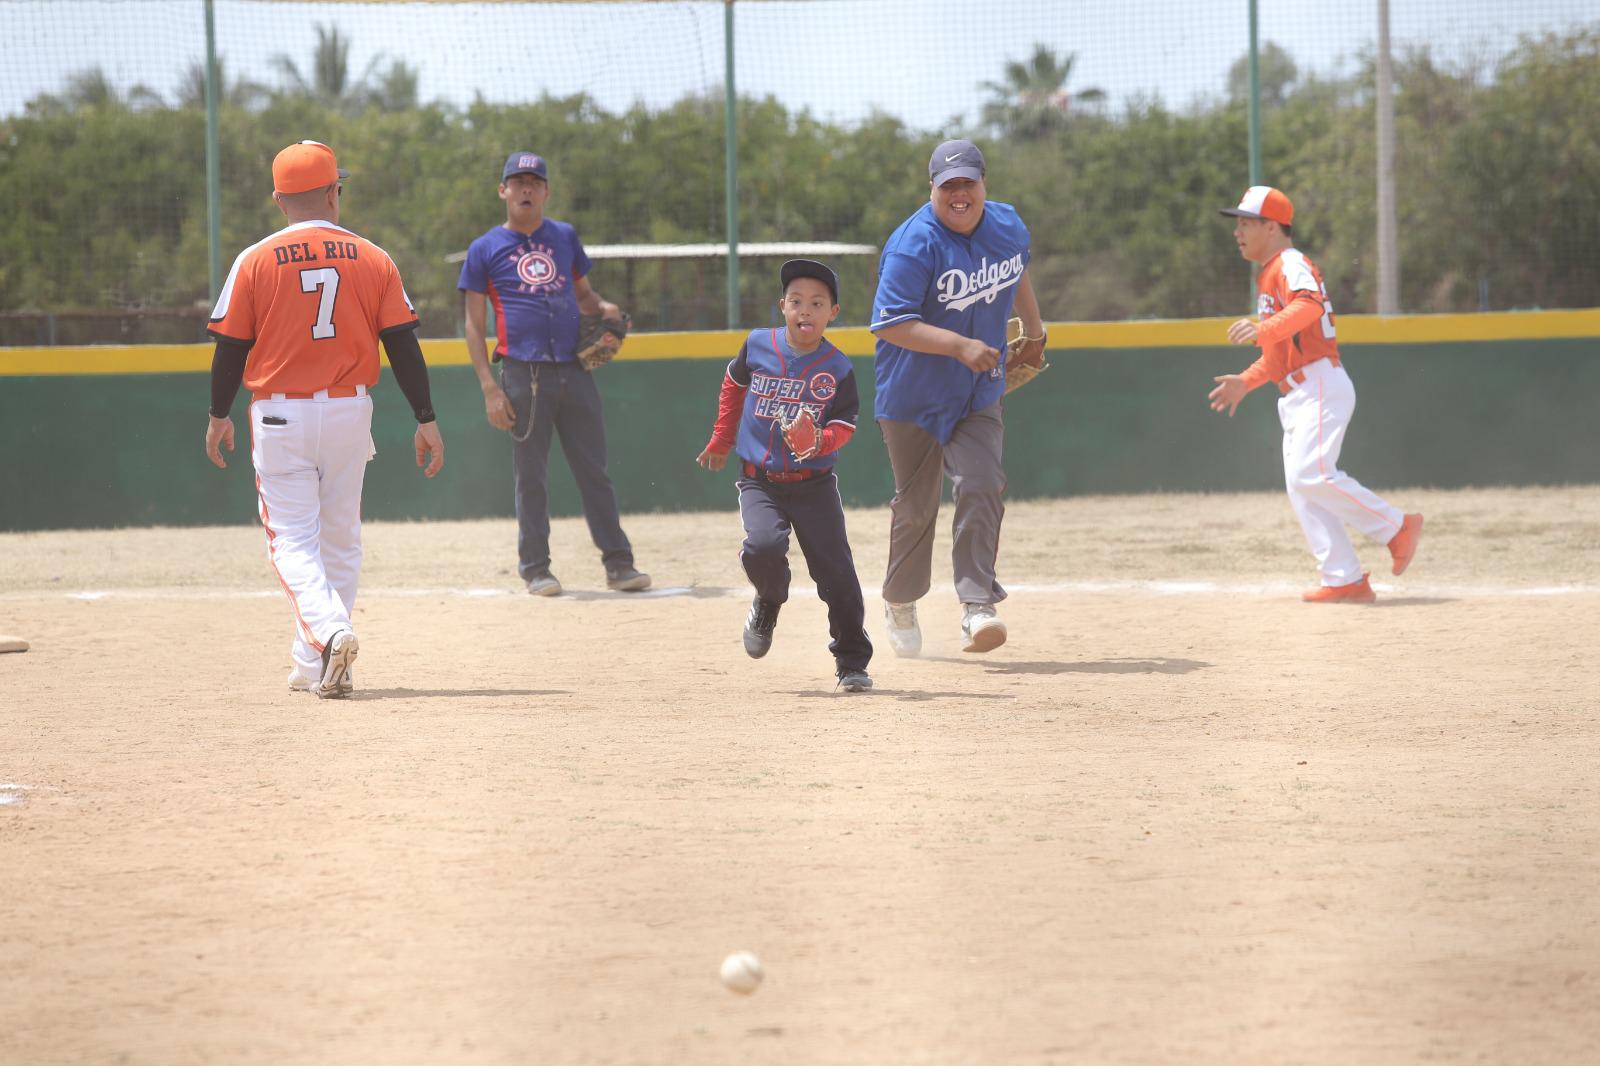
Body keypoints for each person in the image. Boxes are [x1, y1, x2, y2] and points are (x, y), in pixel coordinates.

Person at [204, 140, 445, 698]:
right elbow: (402, 345)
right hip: (349, 410)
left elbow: (230, 349)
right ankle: (313, 665)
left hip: (281, 415)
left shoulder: (256, 258)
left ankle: (332, 633)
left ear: (278, 199)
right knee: (339, 539)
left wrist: (218, 414)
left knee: (292, 541)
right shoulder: (374, 257)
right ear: (335, 192)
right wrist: (426, 417)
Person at [869, 139, 1047, 656]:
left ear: (983, 184)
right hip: (912, 396)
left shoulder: (1007, 225)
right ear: (933, 189)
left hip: (977, 388)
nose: (960, 194)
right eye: (949, 186)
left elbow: (1016, 273)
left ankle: (976, 605)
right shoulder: (911, 246)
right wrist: (959, 344)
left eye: (968, 182)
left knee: (982, 482)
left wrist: (1034, 331)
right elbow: (891, 325)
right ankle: (900, 600)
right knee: (917, 506)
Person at [1209, 185, 1423, 603]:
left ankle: (1396, 527)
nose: (1238, 233)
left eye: (1246, 224)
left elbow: (1309, 305)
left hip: (1319, 383)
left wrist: (1263, 329)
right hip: (1297, 391)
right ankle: (1344, 578)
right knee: (1302, 485)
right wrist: (1246, 381)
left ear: (1272, 227)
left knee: (1312, 475)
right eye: (1237, 225)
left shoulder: (1289, 263)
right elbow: (1277, 355)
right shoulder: (1270, 273)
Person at [458, 151, 649, 597]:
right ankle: (536, 568)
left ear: (545, 191)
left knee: (594, 471)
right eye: (517, 181)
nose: (526, 189)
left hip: (573, 369)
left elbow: (583, 295)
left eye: (535, 182)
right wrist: (490, 387)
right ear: (503, 190)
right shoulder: (485, 248)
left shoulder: (563, 237)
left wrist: (604, 310)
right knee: (531, 476)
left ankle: (619, 565)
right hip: (524, 373)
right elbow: (472, 322)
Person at [695, 259, 873, 692]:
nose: (805, 311)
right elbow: (734, 385)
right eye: (796, 302)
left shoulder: (839, 367)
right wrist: (721, 437)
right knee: (762, 547)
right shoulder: (758, 345)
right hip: (760, 479)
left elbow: (845, 425)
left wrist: (819, 442)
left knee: (837, 576)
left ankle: (851, 661)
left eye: (817, 303)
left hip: (814, 485)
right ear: (782, 307)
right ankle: (770, 599)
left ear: (833, 312)